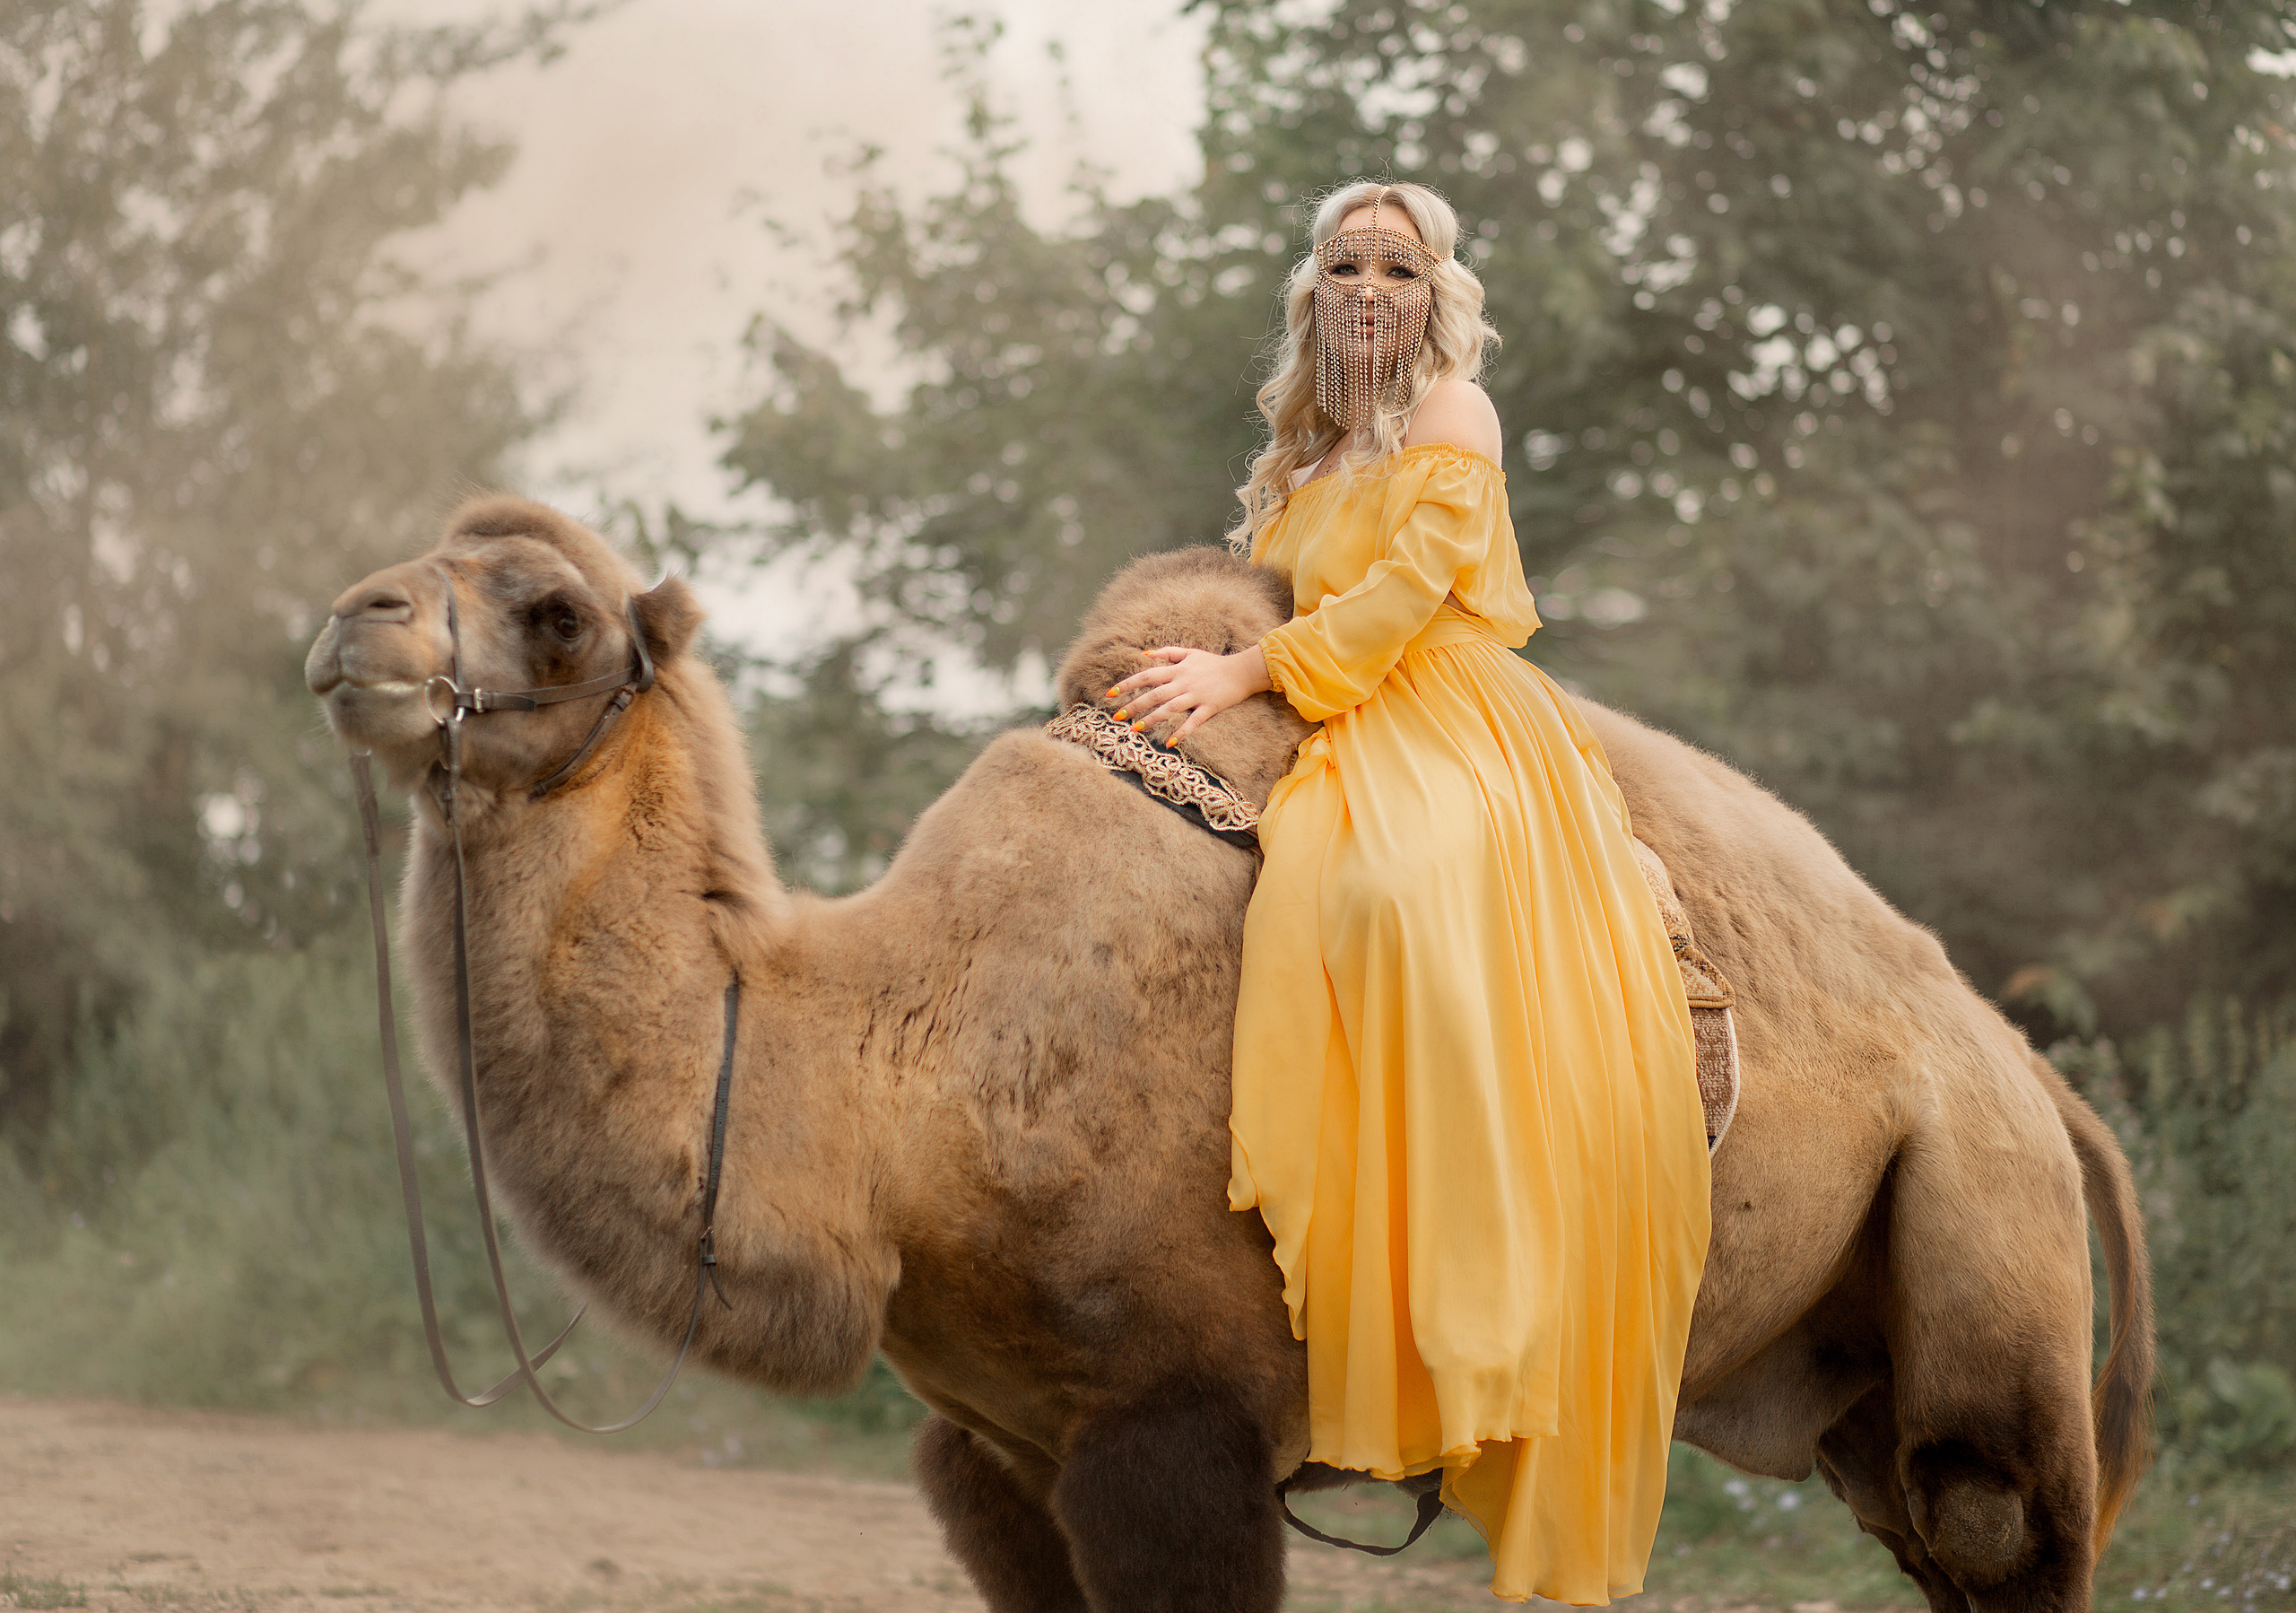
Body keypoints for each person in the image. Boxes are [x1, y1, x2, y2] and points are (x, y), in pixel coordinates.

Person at [1109, 180, 1712, 1605]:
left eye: (1396, 263)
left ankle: (1471, 1279)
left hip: (1438, 711)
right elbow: (1260, 597)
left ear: (1435, 291)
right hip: (1324, 708)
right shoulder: (1296, 457)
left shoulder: (1455, 418)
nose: (1368, 285)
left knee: (1377, 887)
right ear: (1312, 289)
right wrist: (1191, 663)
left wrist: (1249, 674)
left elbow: (1393, 609)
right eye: (1342, 263)